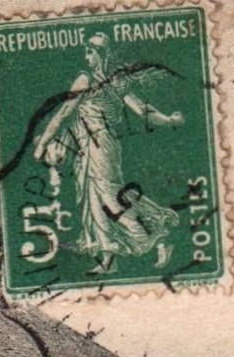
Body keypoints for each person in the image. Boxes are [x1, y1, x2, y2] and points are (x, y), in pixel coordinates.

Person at [32, 33, 184, 275]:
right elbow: (143, 110)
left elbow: (63, 114)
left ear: (101, 54)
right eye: (86, 51)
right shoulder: (118, 81)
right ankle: (108, 259)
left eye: (91, 51)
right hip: (98, 146)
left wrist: (42, 145)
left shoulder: (86, 79)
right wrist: (169, 120)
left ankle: (158, 236)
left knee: (110, 199)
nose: (87, 55)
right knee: (95, 201)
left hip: (97, 146)